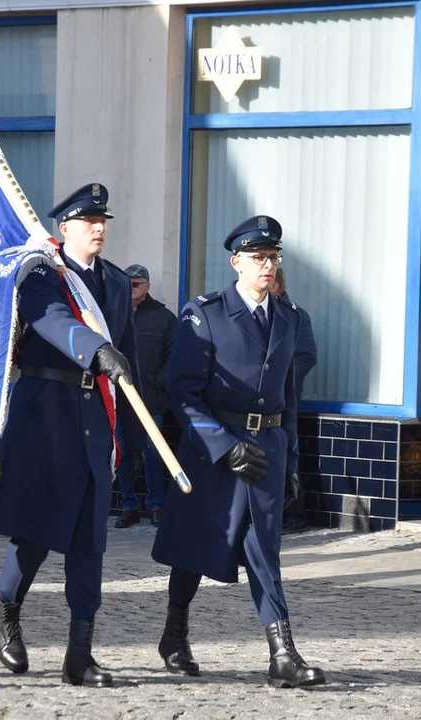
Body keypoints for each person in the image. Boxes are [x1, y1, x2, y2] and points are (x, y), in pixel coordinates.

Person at [151, 214, 325, 689]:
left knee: (264, 551)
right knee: (194, 548)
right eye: (258, 257)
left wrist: (289, 461)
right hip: (213, 450)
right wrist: (222, 447)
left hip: (267, 446)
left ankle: (282, 655)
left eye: (273, 257)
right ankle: (175, 635)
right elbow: (182, 394)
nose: (268, 265)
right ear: (236, 262)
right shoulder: (203, 313)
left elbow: (289, 397)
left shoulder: (288, 317)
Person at [0, 183, 143, 688]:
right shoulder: (40, 274)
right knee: (34, 528)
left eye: (103, 221)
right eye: (87, 221)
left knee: (88, 540)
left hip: (96, 416)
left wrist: (133, 433)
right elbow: (51, 322)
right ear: (64, 228)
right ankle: (7, 607)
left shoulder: (115, 283)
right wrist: (95, 348)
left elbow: (128, 358)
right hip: (45, 412)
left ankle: (80, 652)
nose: (98, 228)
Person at [114, 263, 176, 528]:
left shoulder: (164, 318)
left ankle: (156, 506)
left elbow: (175, 356)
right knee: (125, 454)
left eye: (137, 283)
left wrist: (156, 382)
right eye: (127, 283)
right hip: (121, 398)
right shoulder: (114, 314)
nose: (132, 288)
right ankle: (128, 506)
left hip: (151, 400)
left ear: (148, 286)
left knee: (153, 455)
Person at [271, 266, 317, 534]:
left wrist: (279, 380)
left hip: (283, 403)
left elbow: (306, 356)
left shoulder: (295, 316)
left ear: (277, 285)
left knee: (289, 456)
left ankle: (293, 515)